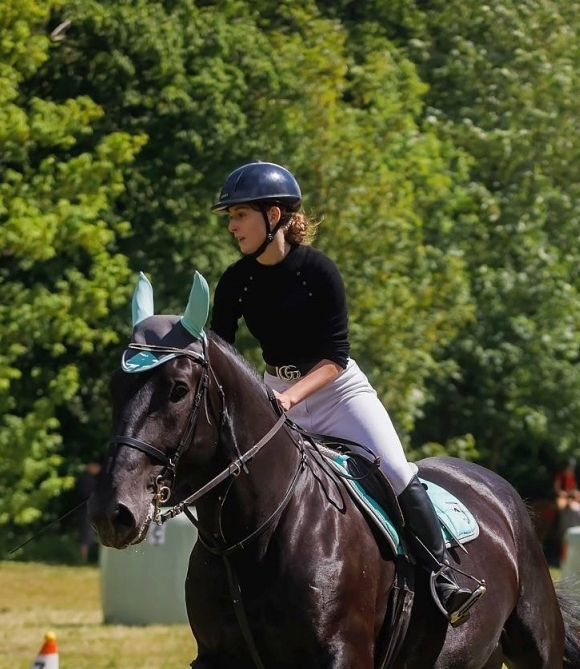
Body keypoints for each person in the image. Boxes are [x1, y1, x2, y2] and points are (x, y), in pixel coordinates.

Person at [207, 161, 483, 624]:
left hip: (337, 391)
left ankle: (443, 578)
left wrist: (292, 398)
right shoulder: (236, 280)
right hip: (275, 391)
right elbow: (222, 350)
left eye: (240, 215)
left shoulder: (318, 271)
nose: (232, 225)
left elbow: (335, 356)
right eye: (230, 217)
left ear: (273, 215)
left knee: (395, 469)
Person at [77, 461, 102, 564]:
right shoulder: (86, 479)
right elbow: (86, 495)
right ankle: (83, 559)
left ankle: (89, 559)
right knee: (86, 536)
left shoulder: (93, 479)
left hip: (92, 510)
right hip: (86, 511)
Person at [556, 489, 580, 562]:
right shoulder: (578, 507)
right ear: (577, 497)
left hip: (566, 534)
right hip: (578, 535)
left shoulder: (564, 507)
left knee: (566, 556)